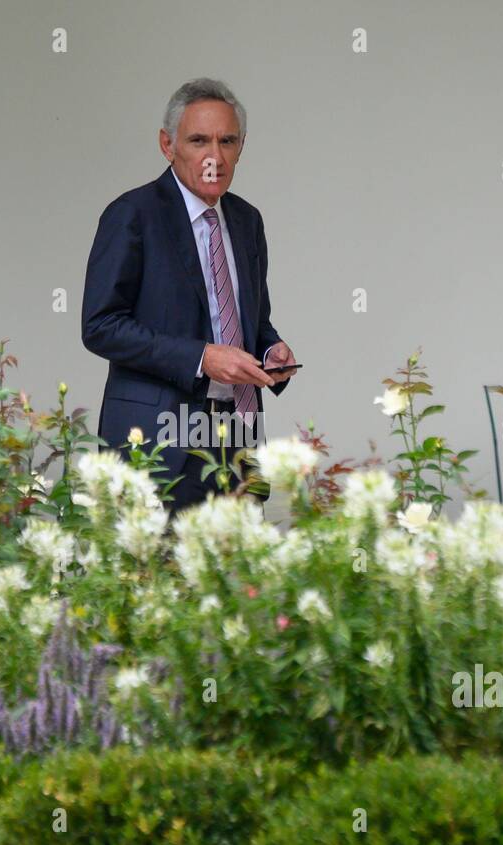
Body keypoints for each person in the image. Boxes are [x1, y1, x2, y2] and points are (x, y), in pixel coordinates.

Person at [82, 77, 298, 516]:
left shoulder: (246, 221)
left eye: (227, 141)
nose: (214, 157)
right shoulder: (132, 215)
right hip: (157, 442)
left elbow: (252, 323)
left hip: (235, 435)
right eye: (199, 140)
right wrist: (201, 357)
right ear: (168, 144)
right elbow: (100, 326)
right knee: (154, 579)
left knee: (235, 579)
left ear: (242, 147)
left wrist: (271, 350)